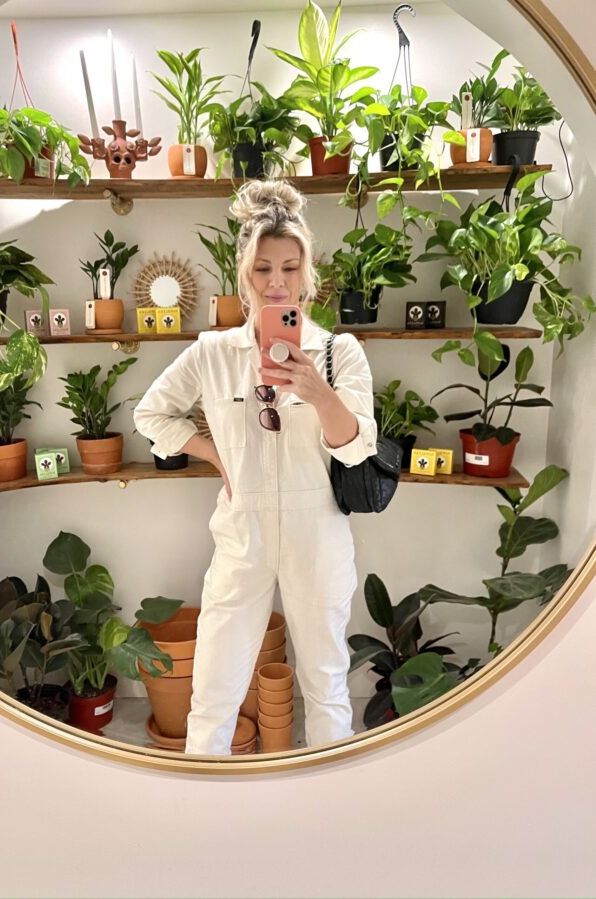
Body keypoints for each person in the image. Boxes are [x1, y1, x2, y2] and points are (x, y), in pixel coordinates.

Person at [133, 180, 377, 755]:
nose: (277, 283)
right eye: (263, 268)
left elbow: (356, 449)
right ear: (245, 274)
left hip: (317, 534)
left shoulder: (339, 353)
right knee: (213, 691)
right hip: (240, 534)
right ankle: (201, 817)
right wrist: (213, 451)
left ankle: (325, 811)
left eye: (290, 268)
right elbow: (152, 414)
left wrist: (318, 393)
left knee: (326, 686)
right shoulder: (213, 353)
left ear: (306, 273)